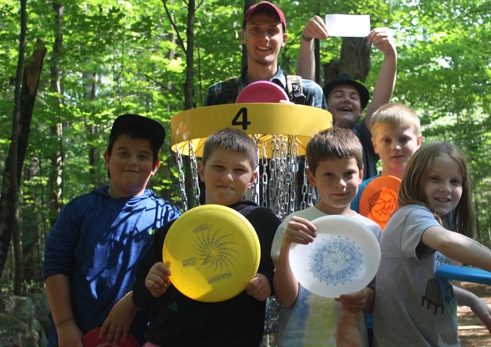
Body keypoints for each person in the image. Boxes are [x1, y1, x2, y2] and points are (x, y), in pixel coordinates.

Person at [370, 141, 491, 346]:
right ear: (415, 180)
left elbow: (424, 287)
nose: (445, 188)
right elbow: (447, 242)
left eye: (455, 182)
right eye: (435, 179)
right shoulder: (411, 216)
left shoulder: (431, 223)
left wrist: (472, 300)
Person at [132, 128, 281, 346]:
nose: (227, 177)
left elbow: (287, 275)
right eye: (218, 167)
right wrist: (151, 286)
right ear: (201, 171)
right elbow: (140, 295)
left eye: (239, 170)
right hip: (168, 339)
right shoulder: (175, 231)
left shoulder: (263, 222)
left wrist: (268, 280)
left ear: (253, 179)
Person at [43, 114, 181, 346]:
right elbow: (56, 266)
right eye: (124, 153)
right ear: (107, 159)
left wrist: (133, 302)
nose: (132, 162)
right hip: (76, 337)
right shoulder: (79, 211)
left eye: (143, 156)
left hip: (141, 337)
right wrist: (64, 325)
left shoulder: (168, 217)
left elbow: (178, 276)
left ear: (155, 166)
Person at [270, 127, 382, 346]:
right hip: (298, 340)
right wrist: (288, 245)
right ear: (312, 177)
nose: (340, 183)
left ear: (360, 174)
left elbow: (382, 300)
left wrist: (367, 298)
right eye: (328, 174)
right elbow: (285, 298)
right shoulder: (294, 226)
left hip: (350, 340)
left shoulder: (372, 231)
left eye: (348, 174)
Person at [296, 15, 397, 179]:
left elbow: (381, 98)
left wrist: (390, 54)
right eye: (338, 95)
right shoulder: (314, 133)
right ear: (325, 107)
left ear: (361, 112)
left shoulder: (366, 137)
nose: (346, 99)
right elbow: (305, 88)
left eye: (353, 97)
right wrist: (307, 39)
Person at [204, 1, 326, 109]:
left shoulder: (309, 94)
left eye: (272, 31)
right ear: (243, 36)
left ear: (284, 39)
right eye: (255, 30)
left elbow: (323, 135)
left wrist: (296, 119)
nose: (264, 38)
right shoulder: (218, 95)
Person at [351, 102, 422, 212]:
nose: (396, 147)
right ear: (375, 145)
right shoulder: (362, 192)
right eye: (387, 140)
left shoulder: (430, 189)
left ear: (418, 142)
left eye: (404, 139)